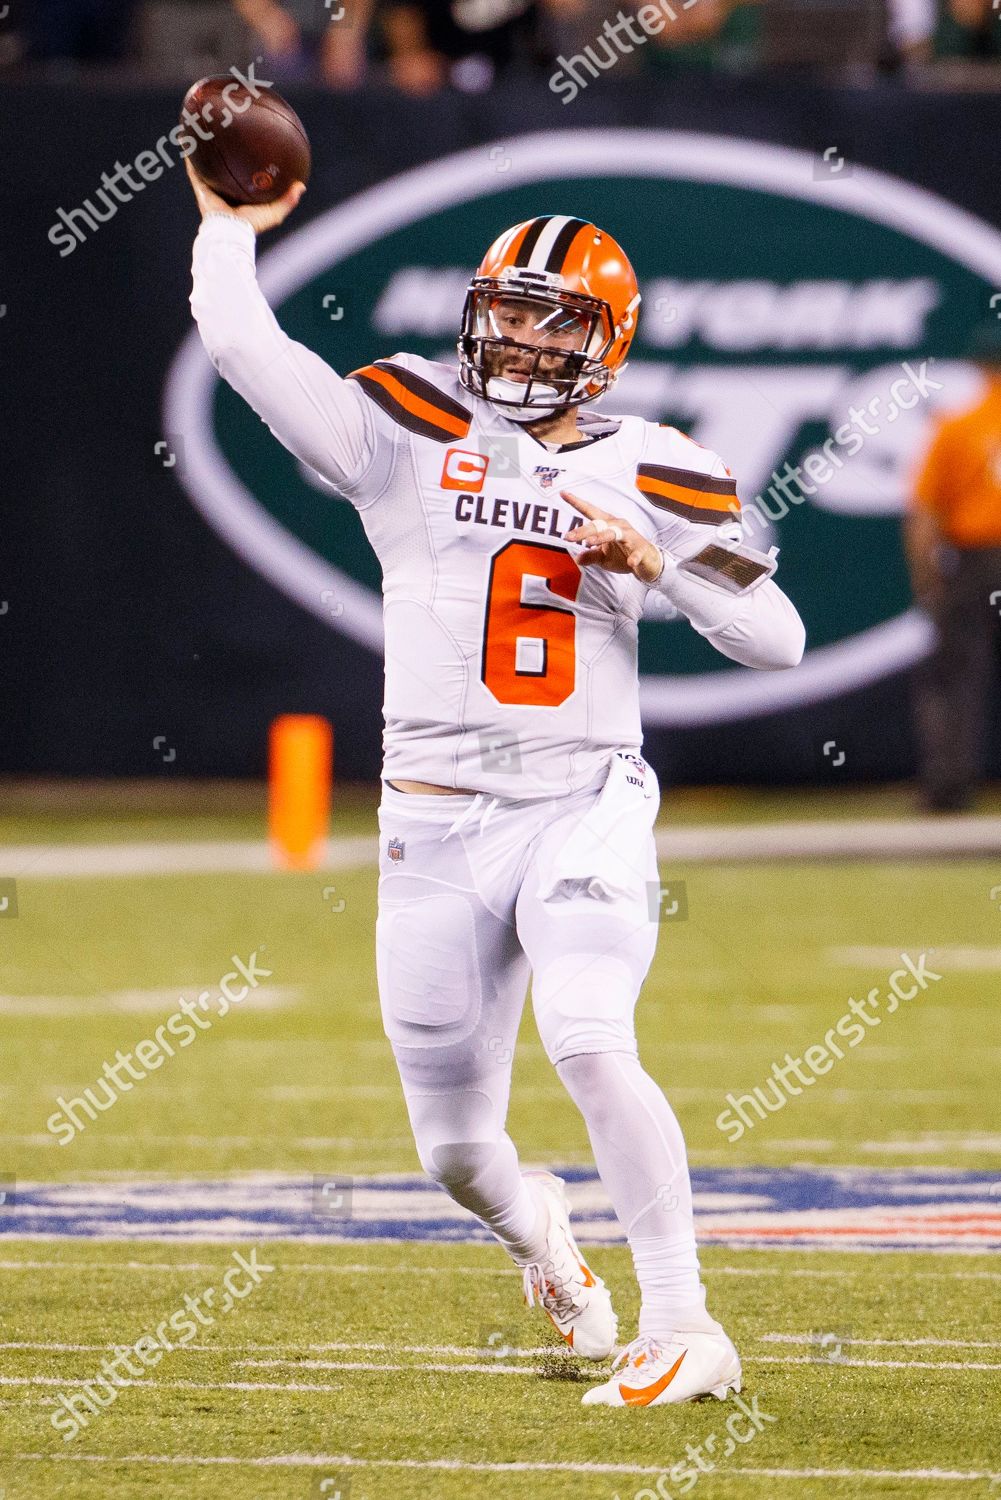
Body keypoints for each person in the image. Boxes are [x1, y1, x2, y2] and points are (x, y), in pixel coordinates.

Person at [185, 163, 805, 1407]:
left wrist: (658, 565)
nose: (519, 335)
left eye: (550, 316)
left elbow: (776, 639)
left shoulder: (659, 463)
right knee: (456, 1154)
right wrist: (223, 228)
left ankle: (683, 1325)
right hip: (427, 817)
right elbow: (242, 342)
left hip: (580, 795)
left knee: (585, 1031)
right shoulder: (405, 428)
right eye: (504, 310)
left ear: (605, 337)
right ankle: (552, 1254)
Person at [907, 323, 1001, 812]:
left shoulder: (959, 425)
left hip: (979, 562)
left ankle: (948, 791)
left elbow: (924, 513)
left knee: (955, 680)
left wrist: (928, 578)